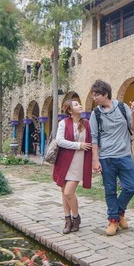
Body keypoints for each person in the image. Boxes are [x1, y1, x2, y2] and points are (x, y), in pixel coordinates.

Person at [89, 79, 134, 236]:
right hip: (106, 157)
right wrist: (95, 160)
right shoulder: (95, 114)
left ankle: (118, 214)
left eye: (96, 95)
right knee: (110, 190)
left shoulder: (123, 108)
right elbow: (94, 138)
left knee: (131, 186)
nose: (94, 98)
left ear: (105, 94)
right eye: (93, 95)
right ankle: (113, 220)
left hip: (124, 155)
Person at [52, 99, 93, 234]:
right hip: (64, 162)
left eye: (79, 103)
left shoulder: (86, 123)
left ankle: (76, 218)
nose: (80, 105)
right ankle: (67, 220)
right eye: (76, 105)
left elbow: (92, 141)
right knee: (64, 192)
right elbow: (60, 141)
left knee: (69, 192)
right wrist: (78, 145)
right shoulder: (63, 123)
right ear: (70, 111)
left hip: (78, 162)